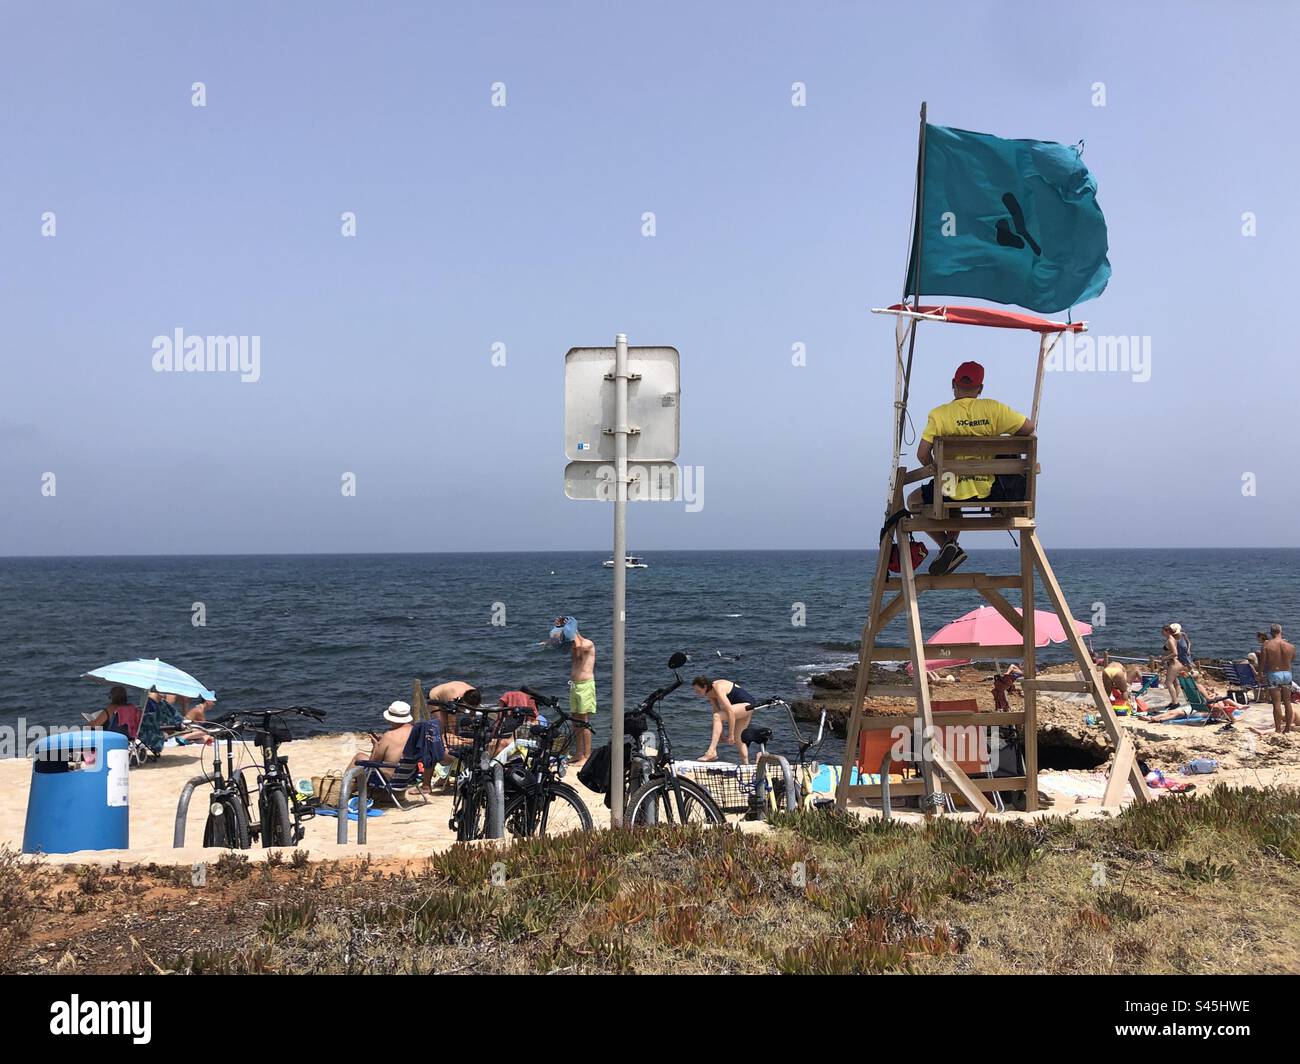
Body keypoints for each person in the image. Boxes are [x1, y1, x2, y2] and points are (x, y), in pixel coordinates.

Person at [906, 361, 1035, 575]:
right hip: (988, 490)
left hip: (949, 490)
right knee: (953, 498)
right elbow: (1030, 428)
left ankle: (948, 544)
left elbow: (921, 454)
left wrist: (937, 473)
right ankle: (950, 546)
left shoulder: (939, 414)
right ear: (980, 388)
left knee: (913, 501)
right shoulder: (993, 409)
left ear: (953, 384)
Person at [549, 616, 596, 766]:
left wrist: (570, 630)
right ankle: (578, 753)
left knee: (584, 722)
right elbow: (561, 644)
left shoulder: (587, 644)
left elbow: (580, 647)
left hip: (585, 686)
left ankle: (587, 756)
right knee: (575, 721)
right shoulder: (573, 646)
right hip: (575, 685)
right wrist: (559, 629)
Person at [692, 676, 760, 764]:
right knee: (739, 739)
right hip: (741, 707)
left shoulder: (717, 688)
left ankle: (711, 751)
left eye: (698, 691)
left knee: (718, 717)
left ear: (704, 687)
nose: (696, 693)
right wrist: (721, 735)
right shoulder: (709, 693)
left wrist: (730, 735)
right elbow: (717, 711)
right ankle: (746, 765)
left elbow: (730, 712)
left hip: (747, 704)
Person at [1260, 624, 1296, 734]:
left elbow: (1263, 662)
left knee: (1276, 703)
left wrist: (1260, 674)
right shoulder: (1290, 646)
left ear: (1271, 632)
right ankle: (1287, 729)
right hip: (1287, 674)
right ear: (1281, 631)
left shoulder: (1267, 645)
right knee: (1287, 702)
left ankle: (1278, 729)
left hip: (1274, 674)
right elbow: (1292, 659)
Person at [427, 681, 481, 752]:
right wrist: (454, 738)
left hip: (450, 694)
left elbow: (474, 708)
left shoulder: (475, 694)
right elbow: (451, 721)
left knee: (455, 726)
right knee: (444, 726)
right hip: (435, 697)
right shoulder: (453, 696)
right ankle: (445, 749)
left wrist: (472, 716)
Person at [1159, 623, 1194, 707]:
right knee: (1175, 683)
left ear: (1166, 631)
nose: (1161, 632)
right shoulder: (1172, 638)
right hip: (1175, 662)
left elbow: (1175, 653)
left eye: (1162, 631)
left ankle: (1175, 702)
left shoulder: (1170, 639)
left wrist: (1165, 658)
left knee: (1168, 683)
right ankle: (1175, 701)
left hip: (1174, 663)